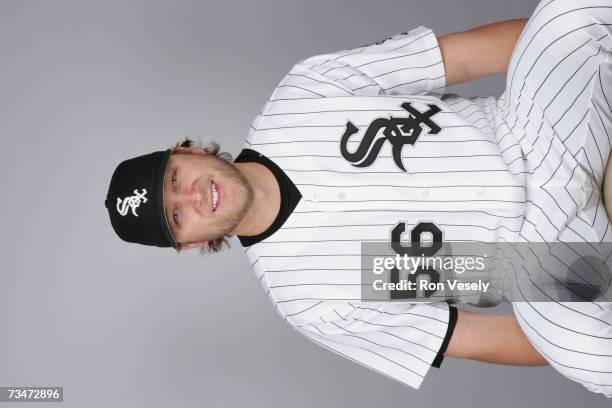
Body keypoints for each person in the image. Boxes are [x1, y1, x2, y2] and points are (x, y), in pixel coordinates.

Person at [105, 0, 612, 397]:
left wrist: (554, 58)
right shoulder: (306, 299)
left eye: (175, 176)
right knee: (583, 352)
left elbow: (463, 55)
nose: (193, 196)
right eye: (177, 215)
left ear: (186, 150)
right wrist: (567, 336)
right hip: (530, 258)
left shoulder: (303, 93)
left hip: (531, 132)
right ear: (189, 244)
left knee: (566, 16)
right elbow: (468, 335)